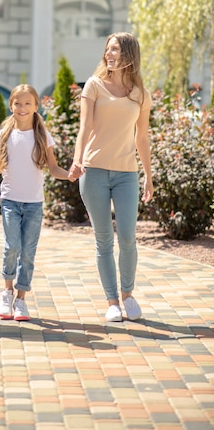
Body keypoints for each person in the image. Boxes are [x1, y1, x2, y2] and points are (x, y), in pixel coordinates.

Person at [68, 32, 153, 322]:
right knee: (104, 240)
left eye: (115, 49)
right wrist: (78, 159)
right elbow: (85, 128)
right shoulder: (93, 85)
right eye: (107, 49)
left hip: (127, 174)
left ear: (129, 54)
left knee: (128, 237)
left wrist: (148, 177)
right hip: (93, 172)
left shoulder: (140, 94)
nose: (109, 54)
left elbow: (142, 137)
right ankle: (112, 301)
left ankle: (128, 296)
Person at [0, 84, 70, 321]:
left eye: (28, 103)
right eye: (18, 103)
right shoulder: (5, 134)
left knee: (28, 253)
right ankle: (6, 292)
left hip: (34, 204)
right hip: (10, 201)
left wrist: (70, 174)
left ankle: (21, 299)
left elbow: (53, 167)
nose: (22, 107)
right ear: (11, 105)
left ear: (36, 106)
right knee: (12, 247)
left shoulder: (42, 135)